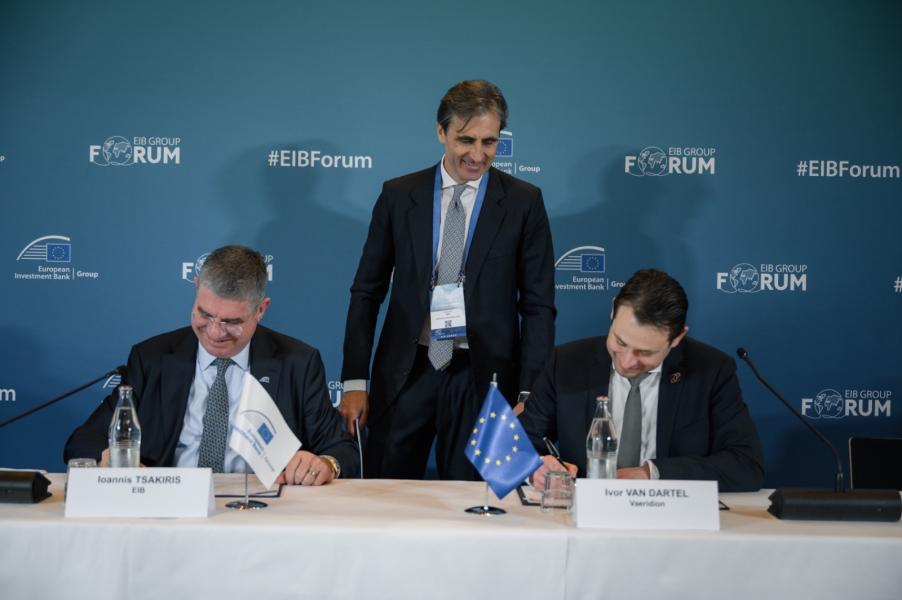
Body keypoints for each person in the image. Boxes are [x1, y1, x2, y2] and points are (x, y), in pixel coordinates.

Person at [339, 80, 556, 479]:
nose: (478, 154)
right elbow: (366, 292)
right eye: (466, 140)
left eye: (489, 142)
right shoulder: (398, 195)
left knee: (474, 500)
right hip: (408, 371)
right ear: (441, 132)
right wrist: (355, 380)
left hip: (484, 377)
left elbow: (538, 306)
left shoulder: (524, 202)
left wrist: (529, 392)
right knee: (386, 493)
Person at [65, 245, 358, 484]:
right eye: (204, 315)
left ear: (261, 310)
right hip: (169, 504)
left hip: (261, 509)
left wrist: (324, 464)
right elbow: (83, 441)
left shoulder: (298, 362)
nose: (215, 333)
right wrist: (108, 457)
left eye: (232, 322)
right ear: (196, 289)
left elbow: (342, 450)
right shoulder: (152, 358)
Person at [522, 269, 764, 492]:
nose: (627, 362)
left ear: (677, 338)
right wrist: (535, 469)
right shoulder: (566, 363)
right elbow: (519, 446)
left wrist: (650, 474)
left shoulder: (711, 371)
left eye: (645, 353)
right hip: (585, 512)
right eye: (620, 342)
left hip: (674, 515)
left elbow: (745, 465)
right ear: (613, 311)